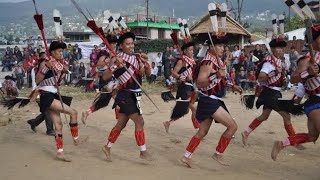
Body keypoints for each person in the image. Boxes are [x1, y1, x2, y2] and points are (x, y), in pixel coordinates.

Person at [180, 33, 242, 167]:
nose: (222, 48)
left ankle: (186, 156)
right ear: (211, 47)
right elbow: (200, 83)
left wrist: (232, 85)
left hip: (210, 100)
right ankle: (218, 154)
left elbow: (219, 80)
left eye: (222, 45)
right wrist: (217, 75)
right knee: (232, 126)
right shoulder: (208, 63)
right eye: (219, 45)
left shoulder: (216, 61)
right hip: (209, 101)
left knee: (202, 131)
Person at [101, 31, 153, 161]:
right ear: (121, 45)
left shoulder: (137, 57)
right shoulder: (117, 57)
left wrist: (146, 64)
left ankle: (107, 147)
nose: (131, 46)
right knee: (139, 121)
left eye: (132, 43)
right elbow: (105, 77)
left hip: (136, 94)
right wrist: (115, 66)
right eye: (127, 44)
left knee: (121, 124)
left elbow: (146, 75)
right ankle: (143, 151)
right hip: (124, 95)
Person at [271, 26, 320, 160]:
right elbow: (293, 78)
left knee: (312, 136)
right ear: (314, 41)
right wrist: (307, 73)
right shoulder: (307, 60)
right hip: (316, 102)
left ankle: (281, 144)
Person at [241, 35, 298, 147]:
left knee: (264, 116)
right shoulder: (268, 62)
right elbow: (261, 77)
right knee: (286, 116)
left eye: (281, 48)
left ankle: (246, 132)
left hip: (273, 92)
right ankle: (294, 141)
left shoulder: (278, 61)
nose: (280, 50)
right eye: (278, 48)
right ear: (272, 49)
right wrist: (274, 73)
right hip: (270, 92)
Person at [35, 41, 87, 162]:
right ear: (52, 52)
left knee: (58, 125)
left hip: (53, 94)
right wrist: (47, 67)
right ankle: (76, 139)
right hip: (46, 95)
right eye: (59, 51)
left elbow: (59, 78)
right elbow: (38, 80)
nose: (61, 53)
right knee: (73, 112)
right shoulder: (45, 62)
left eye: (62, 51)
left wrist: (62, 72)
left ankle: (60, 152)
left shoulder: (58, 63)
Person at [163, 39, 200, 133]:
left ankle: (169, 122)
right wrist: (182, 77)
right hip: (184, 87)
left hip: (191, 86)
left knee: (188, 109)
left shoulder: (192, 61)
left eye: (192, 50)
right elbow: (173, 73)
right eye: (190, 50)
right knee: (192, 108)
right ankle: (197, 128)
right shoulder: (181, 61)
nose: (192, 52)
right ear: (184, 51)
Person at [27, 52, 55, 136]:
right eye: (43, 57)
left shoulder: (46, 66)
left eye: (46, 57)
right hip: (39, 91)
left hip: (47, 91)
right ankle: (50, 130)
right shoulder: (35, 69)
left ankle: (34, 122)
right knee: (47, 111)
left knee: (47, 111)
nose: (45, 59)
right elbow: (35, 81)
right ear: (40, 58)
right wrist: (36, 93)